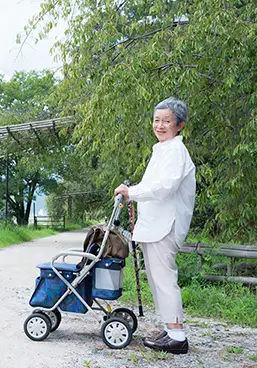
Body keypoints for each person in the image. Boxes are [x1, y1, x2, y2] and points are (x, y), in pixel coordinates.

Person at [114, 97, 196, 355]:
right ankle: (170, 328)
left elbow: (164, 187)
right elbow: (155, 188)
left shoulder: (175, 152)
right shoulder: (162, 149)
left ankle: (177, 337)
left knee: (164, 280)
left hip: (165, 226)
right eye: (157, 120)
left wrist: (131, 192)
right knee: (156, 279)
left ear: (179, 125)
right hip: (154, 225)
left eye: (167, 121)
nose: (160, 125)